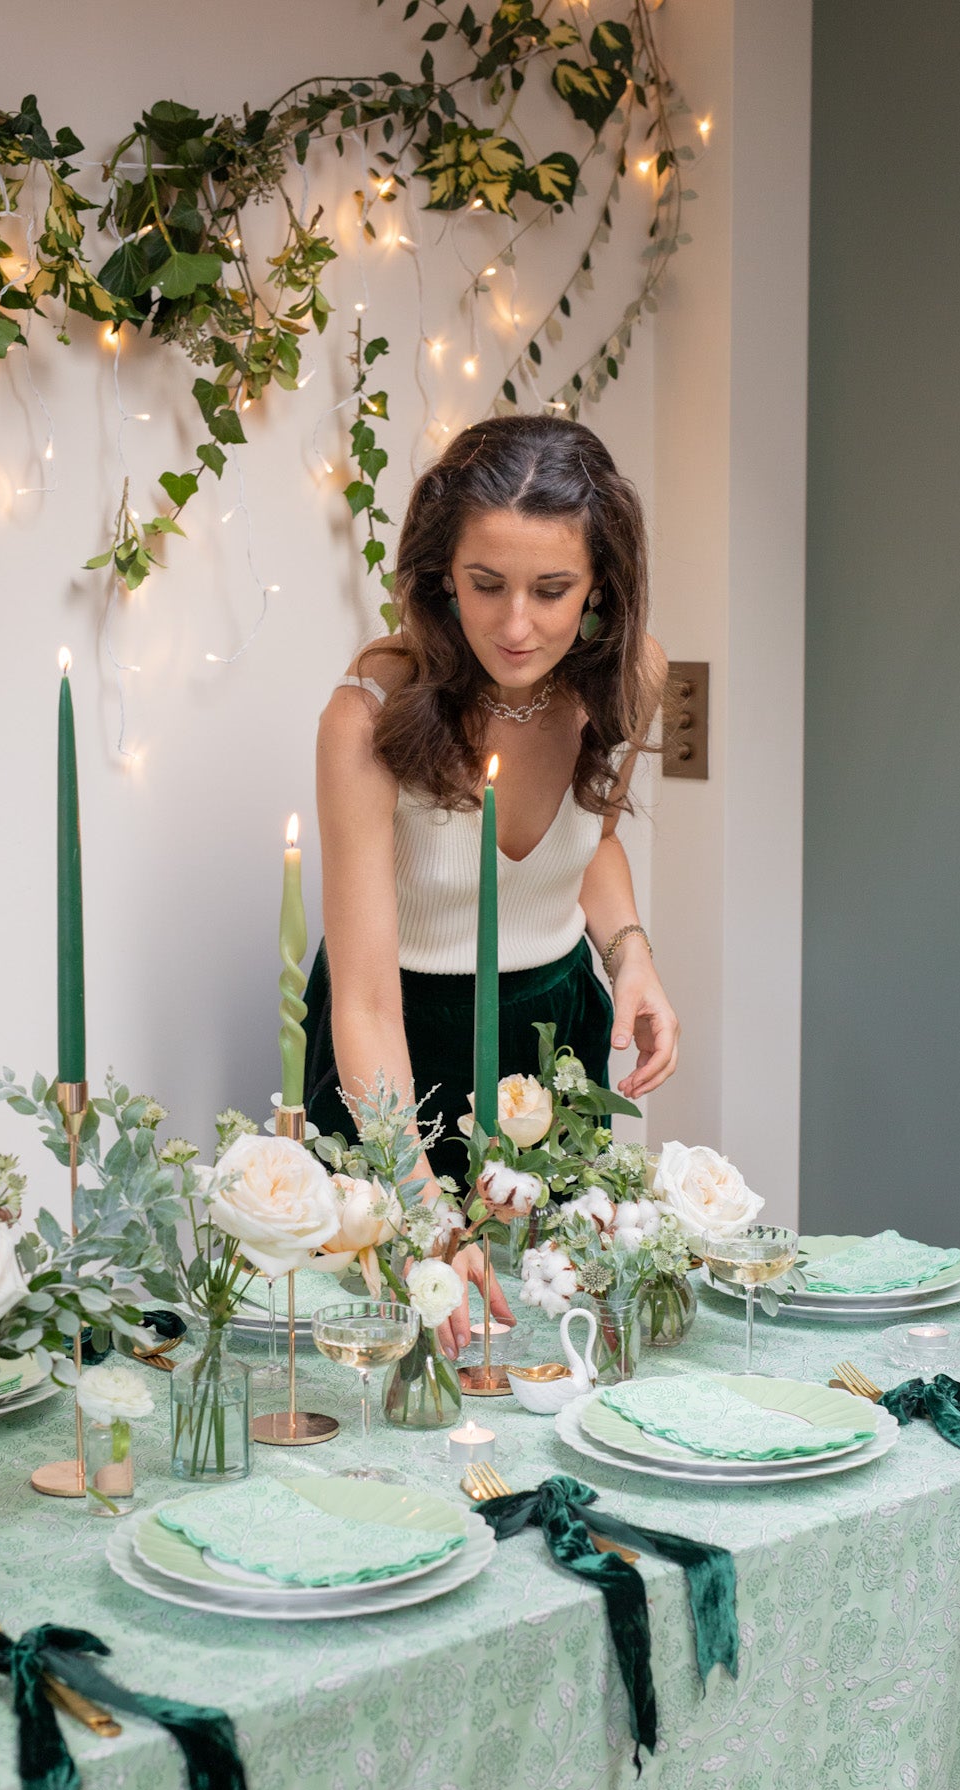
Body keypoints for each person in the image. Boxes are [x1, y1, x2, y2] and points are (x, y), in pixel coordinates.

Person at [305, 414, 681, 1357]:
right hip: (392, 1047)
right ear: (440, 579)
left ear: (600, 587)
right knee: (411, 1352)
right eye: (485, 585)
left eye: (552, 590)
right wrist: (419, 1195)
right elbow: (362, 999)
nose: (517, 626)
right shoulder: (366, 719)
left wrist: (630, 954)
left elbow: (584, 840)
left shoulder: (627, 679)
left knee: (557, 1340)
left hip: (551, 1033)